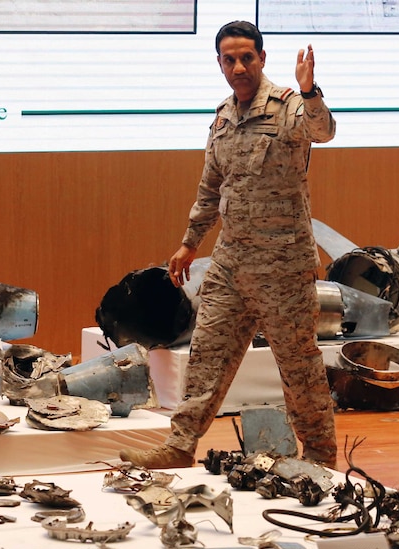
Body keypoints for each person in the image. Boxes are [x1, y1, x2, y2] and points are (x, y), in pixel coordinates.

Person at [120, 20, 338, 470]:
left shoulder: (289, 107)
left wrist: (311, 90)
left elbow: (323, 131)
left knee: (299, 368)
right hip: (230, 262)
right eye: (229, 59)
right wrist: (189, 243)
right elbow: (210, 187)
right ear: (219, 64)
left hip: (283, 266)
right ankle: (179, 446)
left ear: (262, 58)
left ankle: (319, 454)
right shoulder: (222, 117)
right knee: (205, 359)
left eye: (247, 57)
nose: (239, 66)